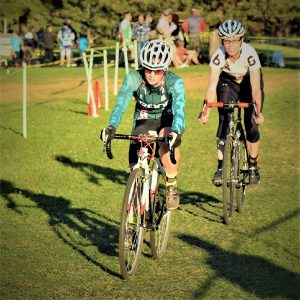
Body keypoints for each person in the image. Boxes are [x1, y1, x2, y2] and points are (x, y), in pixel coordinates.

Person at [100, 39, 186, 211]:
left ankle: (171, 183)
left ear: (165, 69)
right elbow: (120, 105)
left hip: (166, 120)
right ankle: (140, 205)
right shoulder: (133, 78)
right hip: (144, 119)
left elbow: (179, 111)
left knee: (167, 138)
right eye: (148, 69)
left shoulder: (174, 82)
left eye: (157, 71)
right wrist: (111, 126)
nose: (152, 74)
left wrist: (176, 130)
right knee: (135, 167)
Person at [198, 20, 264, 186]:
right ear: (222, 41)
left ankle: (253, 165)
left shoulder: (250, 54)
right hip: (228, 82)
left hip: (249, 83)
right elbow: (212, 85)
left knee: (251, 124)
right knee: (224, 119)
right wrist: (206, 110)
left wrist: (258, 111)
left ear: (241, 40)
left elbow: (256, 89)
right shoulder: (218, 55)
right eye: (227, 41)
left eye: (234, 40)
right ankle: (220, 168)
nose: (231, 45)